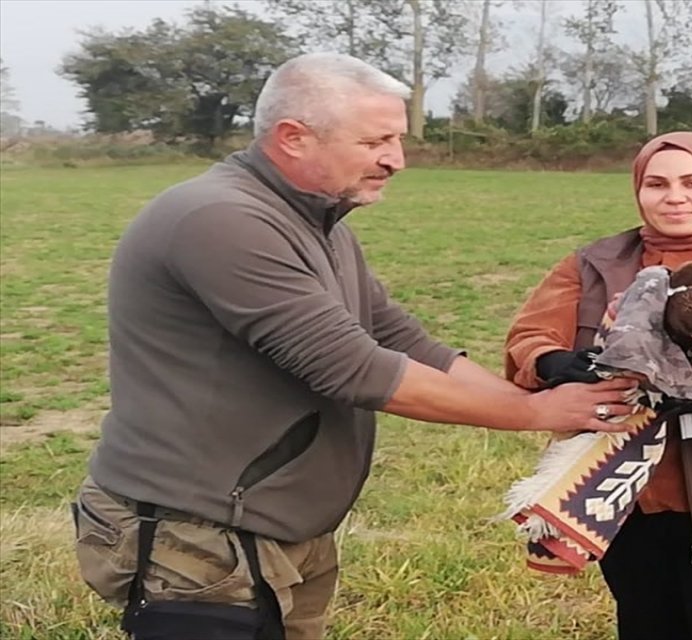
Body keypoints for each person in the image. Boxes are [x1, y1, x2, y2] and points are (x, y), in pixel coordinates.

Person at [70, 52, 634, 640]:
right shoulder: (221, 219)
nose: (397, 159)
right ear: (293, 138)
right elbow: (353, 368)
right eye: (377, 141)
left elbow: (401, 338)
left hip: (278, 526)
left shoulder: (317, 223)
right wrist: (533, 412)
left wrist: (545, 402)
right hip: (201, 536)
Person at [503, 131, 692, 640]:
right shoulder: (593, 265)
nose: (675, 197)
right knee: (647, 621)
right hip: (621, 494)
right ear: (638, 190)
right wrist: (557, 362)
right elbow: (529, 338)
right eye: (657, 183)